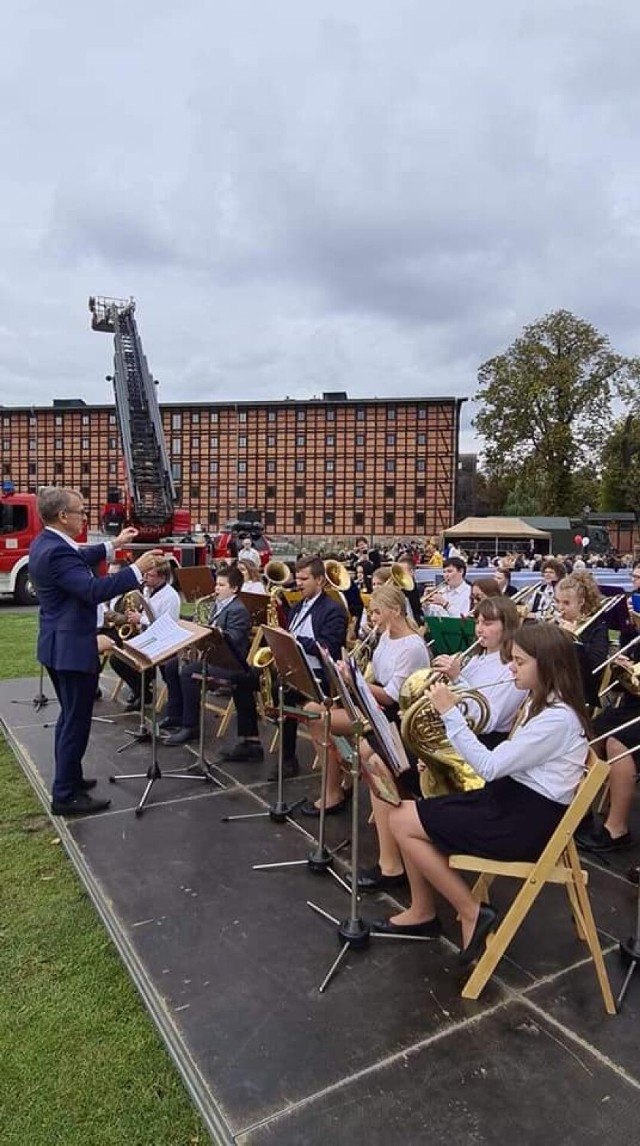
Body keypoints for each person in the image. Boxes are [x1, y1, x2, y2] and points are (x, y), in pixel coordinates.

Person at [372, 623, 590, 963]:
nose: (511, 668)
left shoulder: (557, 719)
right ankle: (424, 909)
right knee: (407, 810)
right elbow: (508, 762)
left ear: (546, 666)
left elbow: (489, 766)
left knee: (401, 820)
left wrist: (448, 713)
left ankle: (469, 910)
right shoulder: (543, 705)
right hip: (509, 800)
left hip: (521, 822)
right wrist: (436, 754)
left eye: (519, 661)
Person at [358, 596, 526, 892]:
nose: (479, 629)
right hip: (455, 738)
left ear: (508, 627)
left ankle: (399, 856)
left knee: (381, 761)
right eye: (478, 622)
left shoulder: (510, 669)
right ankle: (396, 855)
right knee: (378, 756)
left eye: (488, 623)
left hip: (475, 750)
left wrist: (458, 680)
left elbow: (486, 718)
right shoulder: (478, 657)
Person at [28, 486, 161, 816]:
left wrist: (113, 545)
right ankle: (65, 795)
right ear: (63, 516)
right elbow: (90, 589)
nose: (85, 516)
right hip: (72, 648)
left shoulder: (48, 542)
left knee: (70, 717)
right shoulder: (58, 552)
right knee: (76, 721)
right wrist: (136, 569)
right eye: (81, 511)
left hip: (57, 644)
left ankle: (70, 778)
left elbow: (79, 557)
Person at [302, 584, 430, 815]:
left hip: (393, 715)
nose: (372, 618)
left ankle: (335, 788)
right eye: (371, 612)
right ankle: (340, 777)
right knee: (312, 710)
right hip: (373, 703)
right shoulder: (386, 635)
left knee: (318, 718)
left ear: (395, 611)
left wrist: (353, 680)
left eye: (376, 612)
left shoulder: (412, 647)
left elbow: (392, 697)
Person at [264, 556, 348, 779]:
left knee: (284, 691)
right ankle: (286, 753)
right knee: (267, 682)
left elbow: (328, 647)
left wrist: (295, 641)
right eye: (297, 578)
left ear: (319, 580)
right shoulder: (298, 607)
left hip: (319, 675)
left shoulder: (333, 610)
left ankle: (288, 758)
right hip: (296, 669)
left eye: (304, 578)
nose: (298, 583)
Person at [162, 565, 258, 751]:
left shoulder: (238, 610)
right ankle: (176, 714)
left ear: (234, 588)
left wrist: (210, 634)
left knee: (189, 672)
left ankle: (190, 726)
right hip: (212, 657)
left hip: (230, 664)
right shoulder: (219, 604)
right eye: (216, 584)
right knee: (172, 665)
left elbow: (232, 640)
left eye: (221, 585)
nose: (216, 588)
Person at [110, 558, 181, 710]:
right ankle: (141, 691)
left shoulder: (171, 597)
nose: (145, 578)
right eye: (145, 574)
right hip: (146, 637)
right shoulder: (148, 590)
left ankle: (143, 694)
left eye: (150, 575)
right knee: (117, 659)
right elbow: (149, 614)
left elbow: (168, 625)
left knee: (131, 661)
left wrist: (140, 618)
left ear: (162, 577)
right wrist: (136, 615)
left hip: (162, 642)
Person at [554, 572, 608, 712]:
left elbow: (595, 665)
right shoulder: (554, 622)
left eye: (566, 603)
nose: (559, 608)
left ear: (581, 602)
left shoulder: (597, 626)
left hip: (578, 690)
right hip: (552, 683)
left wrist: (573, 641)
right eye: (557, 601)